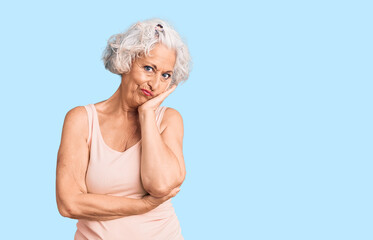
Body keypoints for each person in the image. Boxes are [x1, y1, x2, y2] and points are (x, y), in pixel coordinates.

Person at [56, 18, 191, 239]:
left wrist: (147, 115)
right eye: (149, 68)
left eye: (165, 75)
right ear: (126, 61)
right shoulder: (81, 120)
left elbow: (161, 185)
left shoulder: (168, 119)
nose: (155, 84)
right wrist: (143, 205)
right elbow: (69, 204)